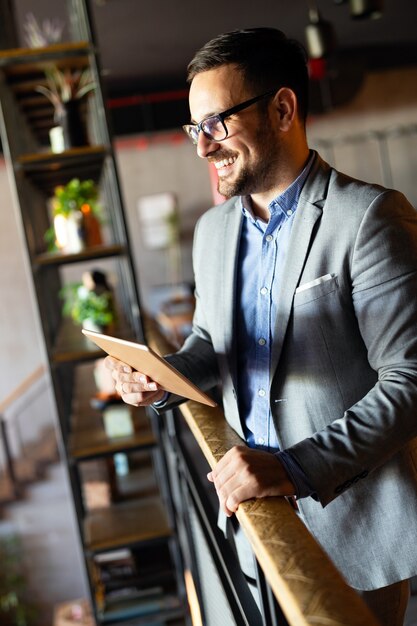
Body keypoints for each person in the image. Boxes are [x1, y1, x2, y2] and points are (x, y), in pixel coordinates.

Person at [105, 28, 417, 625]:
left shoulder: (369, 218)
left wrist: (295, 467)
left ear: (281, 109)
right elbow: (211, 346)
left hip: (353, 527)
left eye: (216, 122)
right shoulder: (212, 232)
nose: (202, 147)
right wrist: (161, 375)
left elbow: (409, 381)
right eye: (195, 128)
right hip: (250, 518)